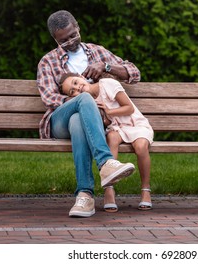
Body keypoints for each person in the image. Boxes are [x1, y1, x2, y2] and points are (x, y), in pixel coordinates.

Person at [36, 10, 141, 217]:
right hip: (59, 120)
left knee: (79, 121)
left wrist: (107, 66)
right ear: (55, 39)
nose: (71, 41)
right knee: (82, 100)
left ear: (78, 27)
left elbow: (134, 73)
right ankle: (106, 163)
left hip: (89, 123)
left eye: (73, 35)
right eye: (64, 40)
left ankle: (85, 196)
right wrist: (82, 101)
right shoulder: (48, 61)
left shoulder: (97, 52)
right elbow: (49, 97)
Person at [60, 73, 154, 211]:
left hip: (135, 125)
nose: (77, 89)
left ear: (81, 76)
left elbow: (129, 108)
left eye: (75, 82)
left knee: (140, 147)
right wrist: (105, 119)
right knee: (112, 138)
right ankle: (109, 190)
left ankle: (145, 190)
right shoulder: (88, 102)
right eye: (72, 91)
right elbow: (106, 123)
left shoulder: (106, 84)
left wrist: (108, 111)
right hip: (116, 128)